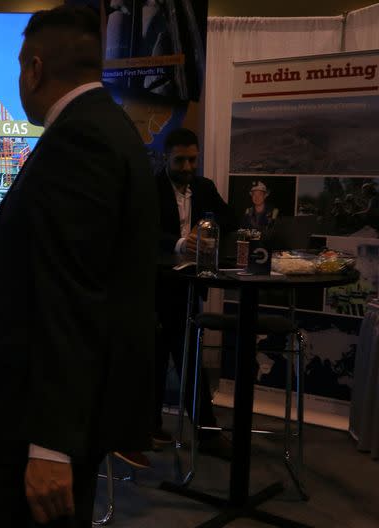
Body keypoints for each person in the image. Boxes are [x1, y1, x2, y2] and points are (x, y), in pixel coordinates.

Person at [0, 6, 156, 526]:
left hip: (37, 422)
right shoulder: (107, 128)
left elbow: (72, 296)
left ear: (35, 69)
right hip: (54, 411)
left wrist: (50, 447)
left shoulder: (79, 141)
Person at [116, 128, 235, 470]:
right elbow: (143, 232)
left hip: (188, 286)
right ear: (166, 157)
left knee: (185, 357)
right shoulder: (150, 189)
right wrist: (182, 243)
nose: (187, 166)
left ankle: (187, 431)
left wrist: (207, 227)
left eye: (192, 160)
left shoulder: (204, 188)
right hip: (154, 286)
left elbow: (229, 217)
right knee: (159, 360)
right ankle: (165, 430)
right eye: (180, 160)